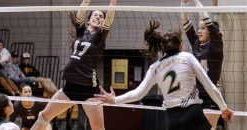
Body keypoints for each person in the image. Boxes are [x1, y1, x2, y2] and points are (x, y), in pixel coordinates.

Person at [95, 20, 233, 130]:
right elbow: (210, 86)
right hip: (192, 113)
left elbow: (138, 94)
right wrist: (223, 108)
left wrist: (115, 100)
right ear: (181, 45)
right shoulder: (187, 57)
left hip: (172, 118)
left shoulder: (155, 67)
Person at [31, 0, 122, 130]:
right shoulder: (81, 32)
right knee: (43, 117)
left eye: (101, 16)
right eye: (95, 15)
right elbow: (79, 16)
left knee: (98, 128)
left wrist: (113, 2)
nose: (98, 17)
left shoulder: (99, 37)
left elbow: (109, 20)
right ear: (89, 20)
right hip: (69, 87)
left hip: (89, 90)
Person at [180, 0, 224, 128]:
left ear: (212, 32)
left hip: (211, 97)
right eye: (199, 28)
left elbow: (207, 19)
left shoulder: (216, 46)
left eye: (203, 28)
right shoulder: (196, 43)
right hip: (195, 97)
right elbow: (185, 19)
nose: (199, 31)